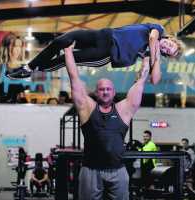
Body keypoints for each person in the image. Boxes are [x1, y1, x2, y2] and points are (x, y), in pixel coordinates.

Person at [64, 40, 150, 199]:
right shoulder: (87, 109)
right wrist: (68, 52)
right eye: (101, 89)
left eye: (108, 89)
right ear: (96, 93)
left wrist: (146, 58)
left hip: (118, 170)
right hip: (91, 170)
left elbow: (140, 83)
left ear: (114, 92)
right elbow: (74, 79)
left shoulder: (123, 110)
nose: (105, 92)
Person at [6, 23, 184, 85]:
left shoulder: (148, 54)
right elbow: (153, 40)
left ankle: (33, 70)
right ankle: (28, 67)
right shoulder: (158, 30)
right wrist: (155, 57)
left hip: (105, 53)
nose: (167, 46)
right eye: (170, 44)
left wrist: (154, 62)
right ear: (170, 38)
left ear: (165, 54)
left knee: (66, 59)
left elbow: (155, 80)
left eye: (168, 51)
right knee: (61, 41)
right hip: (103, 35)